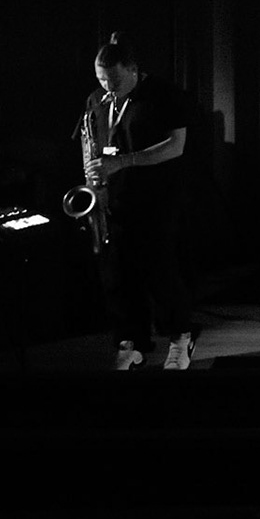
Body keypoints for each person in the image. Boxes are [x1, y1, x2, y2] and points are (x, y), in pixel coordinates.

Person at [80, 32, 195, 370]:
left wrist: (122, 162)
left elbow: (176, 146)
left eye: (113, 80)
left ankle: (181, 339)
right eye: (101, 80)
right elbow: (90, 141)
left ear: (133, 69)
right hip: (115, 200)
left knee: (161, 272)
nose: (107, 88)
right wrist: (92, 179)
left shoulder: (165, 95)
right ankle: (130, 342)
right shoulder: (97, 100)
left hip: (157, 198)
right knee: (118, 277)